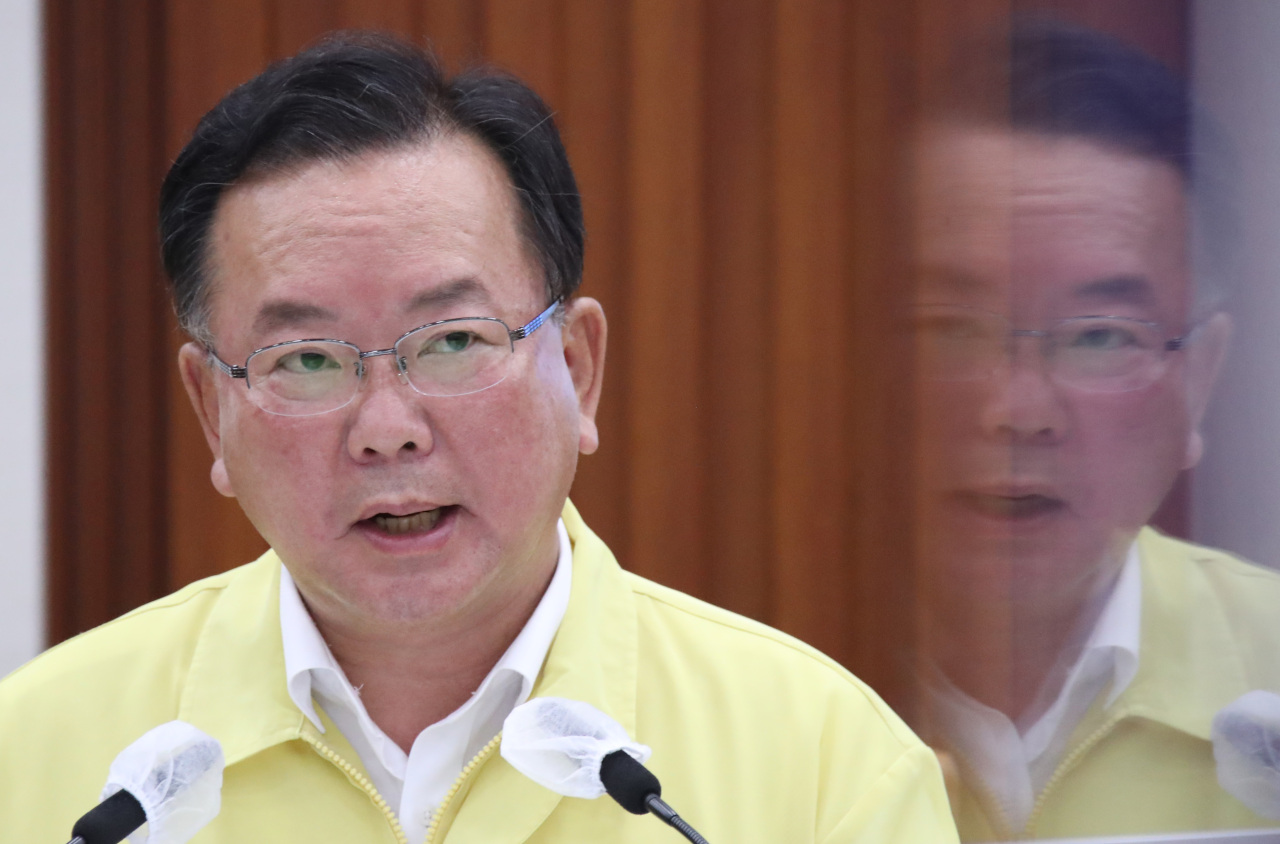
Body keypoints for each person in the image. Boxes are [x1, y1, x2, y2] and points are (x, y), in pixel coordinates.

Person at [0, 33, 957, 843]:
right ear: (213, 410)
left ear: (577, 369)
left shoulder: (828, 768)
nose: (386, 431)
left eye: (455, 341)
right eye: (307, 360)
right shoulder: (41, 758)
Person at [910, 21, 1280, 840]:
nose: (1017, 409)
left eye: (1100, 335)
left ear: (1201, 378)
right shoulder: (725, 688)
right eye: (949, 327)